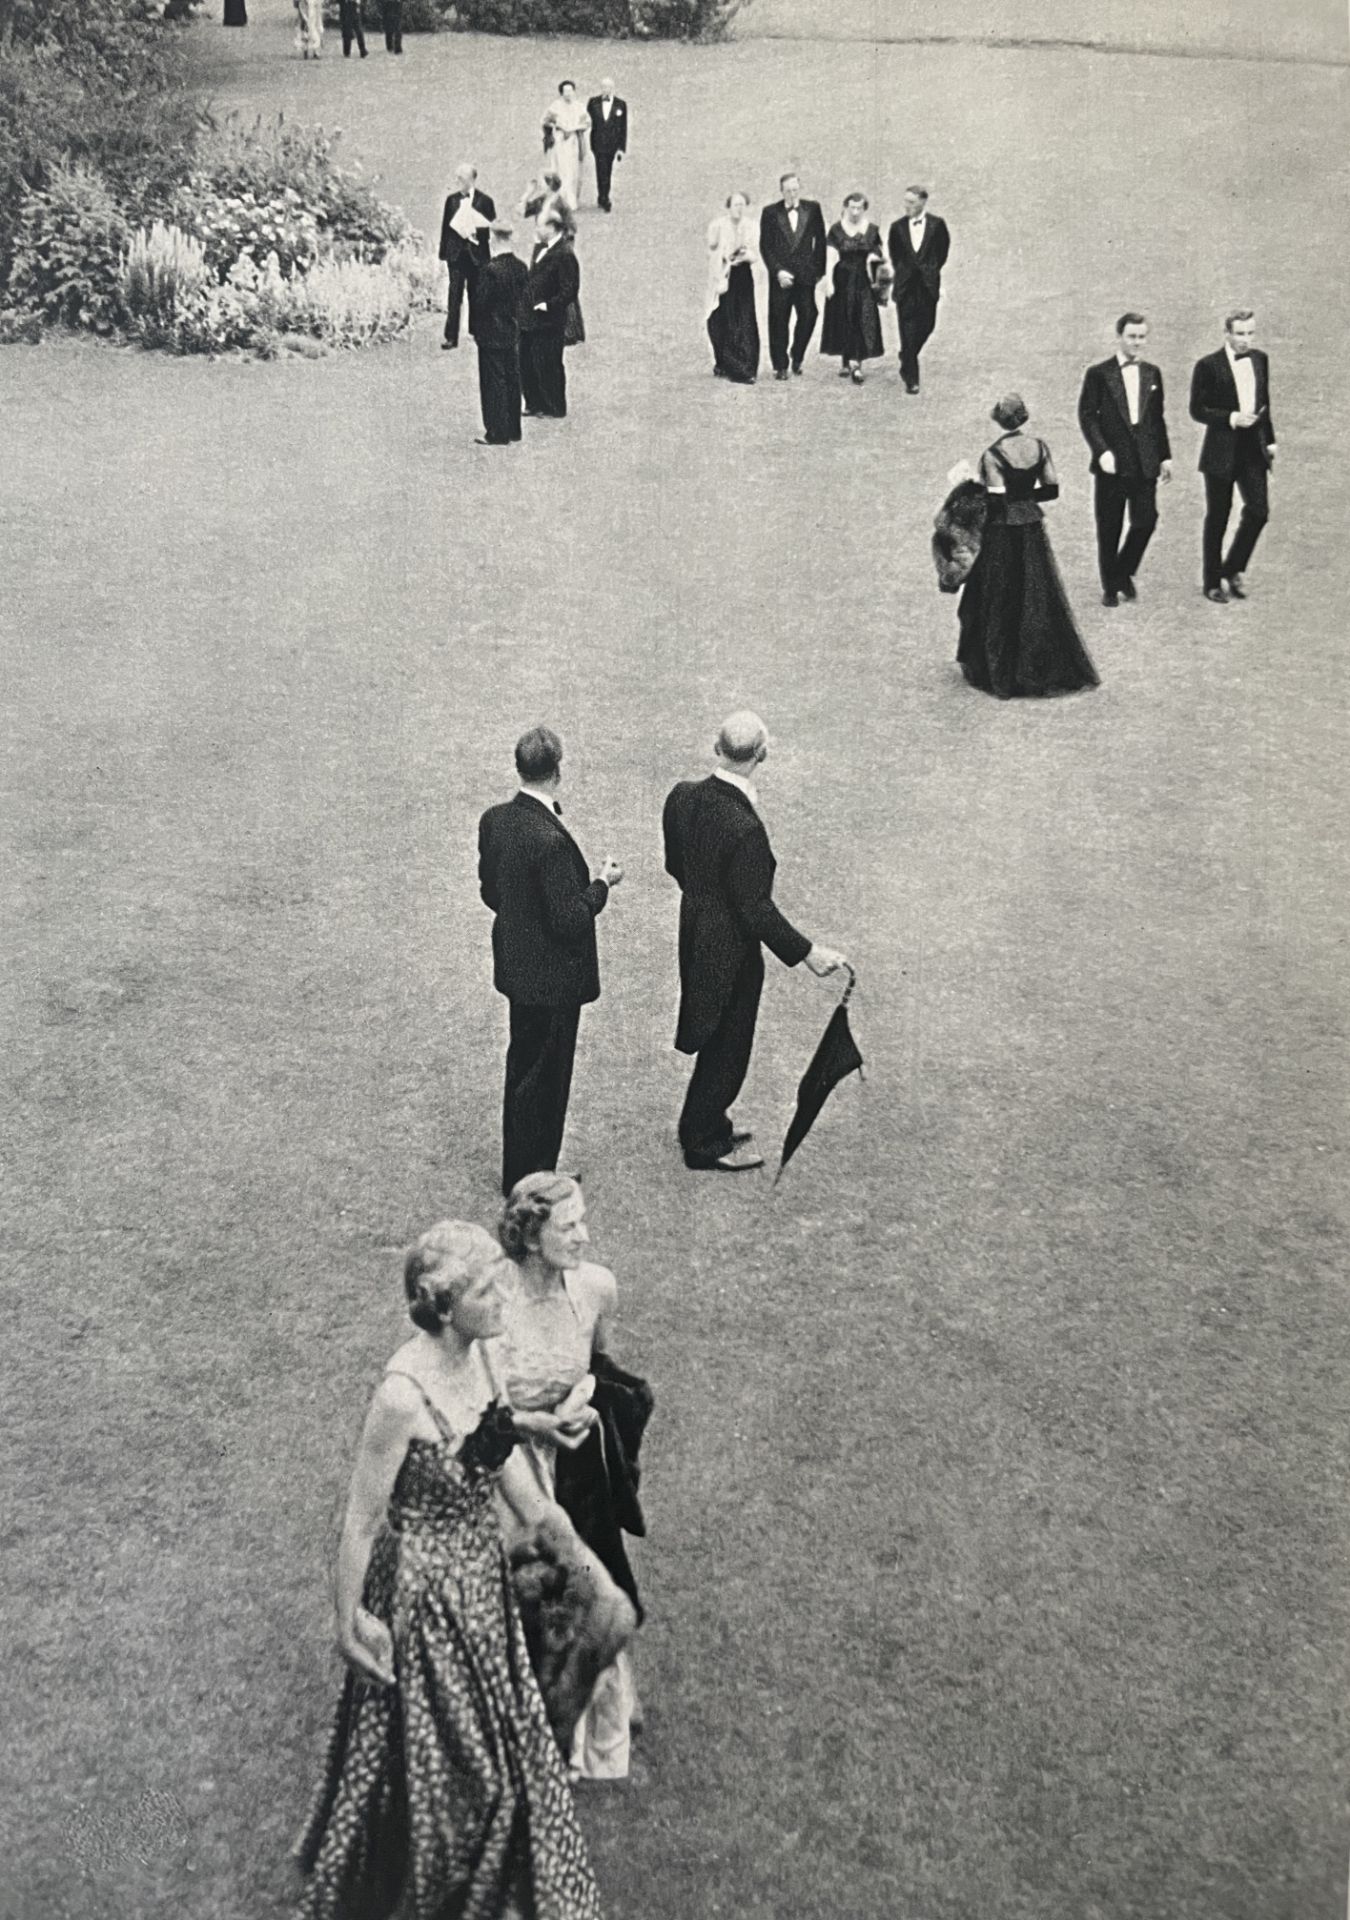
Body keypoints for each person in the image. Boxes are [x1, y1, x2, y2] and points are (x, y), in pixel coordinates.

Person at [293, 1222, 605, 1920]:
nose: (503, 1298)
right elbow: (361, 1519)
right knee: (454, 1755)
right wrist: (348, 1622)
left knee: (501, 1733)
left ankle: (484, 1874)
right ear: (442, 1306)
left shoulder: (487, 1355)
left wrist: (560, 1525)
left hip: (482, 1582)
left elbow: (500, 1462)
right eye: (486, 1289)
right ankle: (437, 1883)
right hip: (422, 1598)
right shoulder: (400, 1397)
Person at [496, 1175, 648, 1781]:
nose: (584, 1236)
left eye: (585, 1220)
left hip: (576, 1466)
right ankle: (523, 1730)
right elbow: (475, 1405)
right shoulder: (495, 1302)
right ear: (531, 1238)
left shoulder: (597, 1288)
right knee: (525, 1598)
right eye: (568, 1227)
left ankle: (596, 1740)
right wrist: (534, 1425)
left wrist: (584, 1403)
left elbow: (601, 1368)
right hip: (508, 1468)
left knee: (595, 1587)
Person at [663, 712, 848, 1173]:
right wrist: (808, 953)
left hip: (696, 929)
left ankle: (705, 1123)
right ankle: (703, 1139)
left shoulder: (682, 797)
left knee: (714, 1031)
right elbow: (755, 908)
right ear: (762, 755)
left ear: (716, 747)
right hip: (732, 947)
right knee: (729, 1042)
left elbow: (676, 863)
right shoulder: (745, 829)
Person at [478, 727, 621, 1197]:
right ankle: (535, 1178)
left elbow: (491, 891)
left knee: (522, 1069)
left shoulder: (495, 820)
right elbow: (570, 919)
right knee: (547, 1080)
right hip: (553, 979)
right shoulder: (550, 842)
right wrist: (603, 882)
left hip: (517, 967)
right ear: (557, 770)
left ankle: (519, 1172)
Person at [956, 394, 1100, 699]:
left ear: (999, 421)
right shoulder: (1040, 447)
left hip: (1002, 534)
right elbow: (1051, 489)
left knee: (997, 596)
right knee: (1036, 594)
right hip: (1032, 530)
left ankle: (998, 670)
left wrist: (972, 490)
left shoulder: (993, 455)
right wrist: (1025, 498)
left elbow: (995, 500)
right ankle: (1038, 667)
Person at [1077, 312, 1173, 606]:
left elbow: (1157, 419)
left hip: (1144, 463)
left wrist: (1165, 457)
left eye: (1141, 337)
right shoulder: (1099, 374)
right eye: (1131, 337)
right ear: (1119, 337)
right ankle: (1110, 587)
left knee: (1146, 521)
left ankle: (1122, 572)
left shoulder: (1152, 373)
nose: (1137, 343)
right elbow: (1087, 416)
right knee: (1110, 526)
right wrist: (1102, 451)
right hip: (1113, 466)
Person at [1189, 308, 1276, 603]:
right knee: (1218, 517)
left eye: (1250, 333)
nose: (1245, 340)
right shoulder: (1208, 366)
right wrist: (1231, 417)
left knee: (1259, 512)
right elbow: (1197, 410)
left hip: (1253, 449)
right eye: (1240, 334)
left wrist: (1271, 441)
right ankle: (1212, 582)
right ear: (1227, 334)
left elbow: (1265, 402)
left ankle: (1233, 567)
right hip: (1221, 452)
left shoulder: (1260, 360)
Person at [758, 172, 827, 380]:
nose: (792, 194)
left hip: (806, 275)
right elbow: (765, 246)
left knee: (809, 315)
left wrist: (818, 271)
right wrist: (778, 271)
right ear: (781, 191)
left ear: (800, 189)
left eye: (795, 190)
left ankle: (797, 355)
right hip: (781, 277)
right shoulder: (770, 212)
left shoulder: (813, 209)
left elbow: (820, 242)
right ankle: (780, 365)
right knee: (779, 319)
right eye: (787, 191)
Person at [886, 185, 950, 393]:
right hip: (905, 287)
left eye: (912, 202)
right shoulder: (897, 227)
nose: (907, 206)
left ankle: (906, 355)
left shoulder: (937, 225)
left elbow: (942, 252)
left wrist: (930, 270)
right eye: (905, 201)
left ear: (923, 202)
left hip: (927, 286)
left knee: (927, 325)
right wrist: (905, 273)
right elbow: (895, 255)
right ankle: (911, 379)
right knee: (906, 330)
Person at [519, 208, 581, 420]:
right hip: (532, 317)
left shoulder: (564, 254)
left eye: (541, 224)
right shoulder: (541, 249)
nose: (537, 228)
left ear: (552, 227)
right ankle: (535, 402)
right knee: (529, 360)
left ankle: (554, 405)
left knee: (549, 363)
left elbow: (569, 289)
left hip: (550, 320)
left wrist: (550, 305)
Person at [474, 222, 529, 447]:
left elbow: (480, 302)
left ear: (494, 240)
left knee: (493, 382)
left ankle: (497, 431)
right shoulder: (521, 267)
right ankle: (513, 428)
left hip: (491, 331)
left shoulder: (490, 270)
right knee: (512, 379)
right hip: (511, 328)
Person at [820, 193, 885, 383]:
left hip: (864, 281)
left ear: (864, 209)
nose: (855, 212)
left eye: (859, 208)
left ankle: (857, 364)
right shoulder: (836, 229)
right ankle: (845, 360)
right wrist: (830, 282)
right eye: (852, 208)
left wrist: (879, 283)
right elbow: (831, 257)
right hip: (842, 280)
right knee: (844, 318)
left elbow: (878, 256)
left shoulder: (872, 230)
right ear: (846, 207)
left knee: (862, 318)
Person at [439, 164, 496, 352]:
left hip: (476, 254)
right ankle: (451, 335)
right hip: (457, 254)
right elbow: (445, 228)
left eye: (462, 179)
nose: (459, 183)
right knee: (454, 296)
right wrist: (444, 253)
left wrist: (476, 231)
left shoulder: (485, 201)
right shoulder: (452, 201)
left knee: (477, 294)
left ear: (471, 180)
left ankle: (477, 329)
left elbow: (490, 226)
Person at [705, 191, 760, 385]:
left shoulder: (751, 226)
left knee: (744, 318)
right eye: (736, 204)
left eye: (742, 205)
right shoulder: (718, 225)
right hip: (723, 275)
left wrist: (745, 256)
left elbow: (755, 254)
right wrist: (724, 256)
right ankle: (724, 361)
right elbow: (711, 247)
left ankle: (744, 367)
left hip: (743, 276)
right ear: (728, 207)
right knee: (721, 318)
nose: (739, 208)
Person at [542, 81, 591, 207]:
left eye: (570, 91)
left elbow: (587, 123)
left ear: (574, 92)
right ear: (561, 93)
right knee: (559, 168)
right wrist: (559, 126)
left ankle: (571, 200)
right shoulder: (555, 106)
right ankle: (559, 199)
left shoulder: (579, 106)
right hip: (560, 140)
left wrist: (574, 128)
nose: (568, 94)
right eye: (565, 91)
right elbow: (546, 121)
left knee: (572, 170)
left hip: (573, 140)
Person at [586, 79, 628, 211]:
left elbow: (623, 127)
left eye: (609, 87)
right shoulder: (593, 102)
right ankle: (603, 197)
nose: (606, 89)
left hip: (612, 144)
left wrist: (621, 148)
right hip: (597, 143)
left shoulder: (620, 104)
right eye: (604, 87)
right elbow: (586, 120)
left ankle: (605, 195)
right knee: (600, 170)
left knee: (607, 170)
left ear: (613, 88)